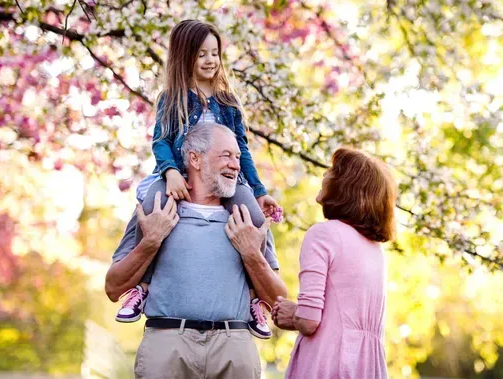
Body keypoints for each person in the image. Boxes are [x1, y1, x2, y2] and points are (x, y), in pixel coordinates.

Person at [114, 19, 281, 340]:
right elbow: (161, 141)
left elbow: (241, 148)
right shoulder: (172, 98)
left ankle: (253, 297)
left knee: (255, 217)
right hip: (177, 173)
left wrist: (258, 190)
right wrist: (171, 172)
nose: (210, 60)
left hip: (224, 179)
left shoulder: (228, 102)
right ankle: (141, 287)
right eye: (202, 54)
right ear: (185, 56)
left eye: (215, 53)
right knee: (150, 206)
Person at [106, 123, 287, 378]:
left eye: (237, 157)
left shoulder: (248, 218)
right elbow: (113, 288)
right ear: (195, 159)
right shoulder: (155, 211)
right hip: (167, 345)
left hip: (233, 347)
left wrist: (251, 254)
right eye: (225, 155)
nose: (236, 165)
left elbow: (279, 301)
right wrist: (151, 241)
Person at [272, 148, 395, 379]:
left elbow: (308, 321)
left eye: (331, 171)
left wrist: (291, 313)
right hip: (366, 367)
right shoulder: (375, 249)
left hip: (327, 363)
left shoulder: (323, 235)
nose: (324, 176)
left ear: (346, 185)